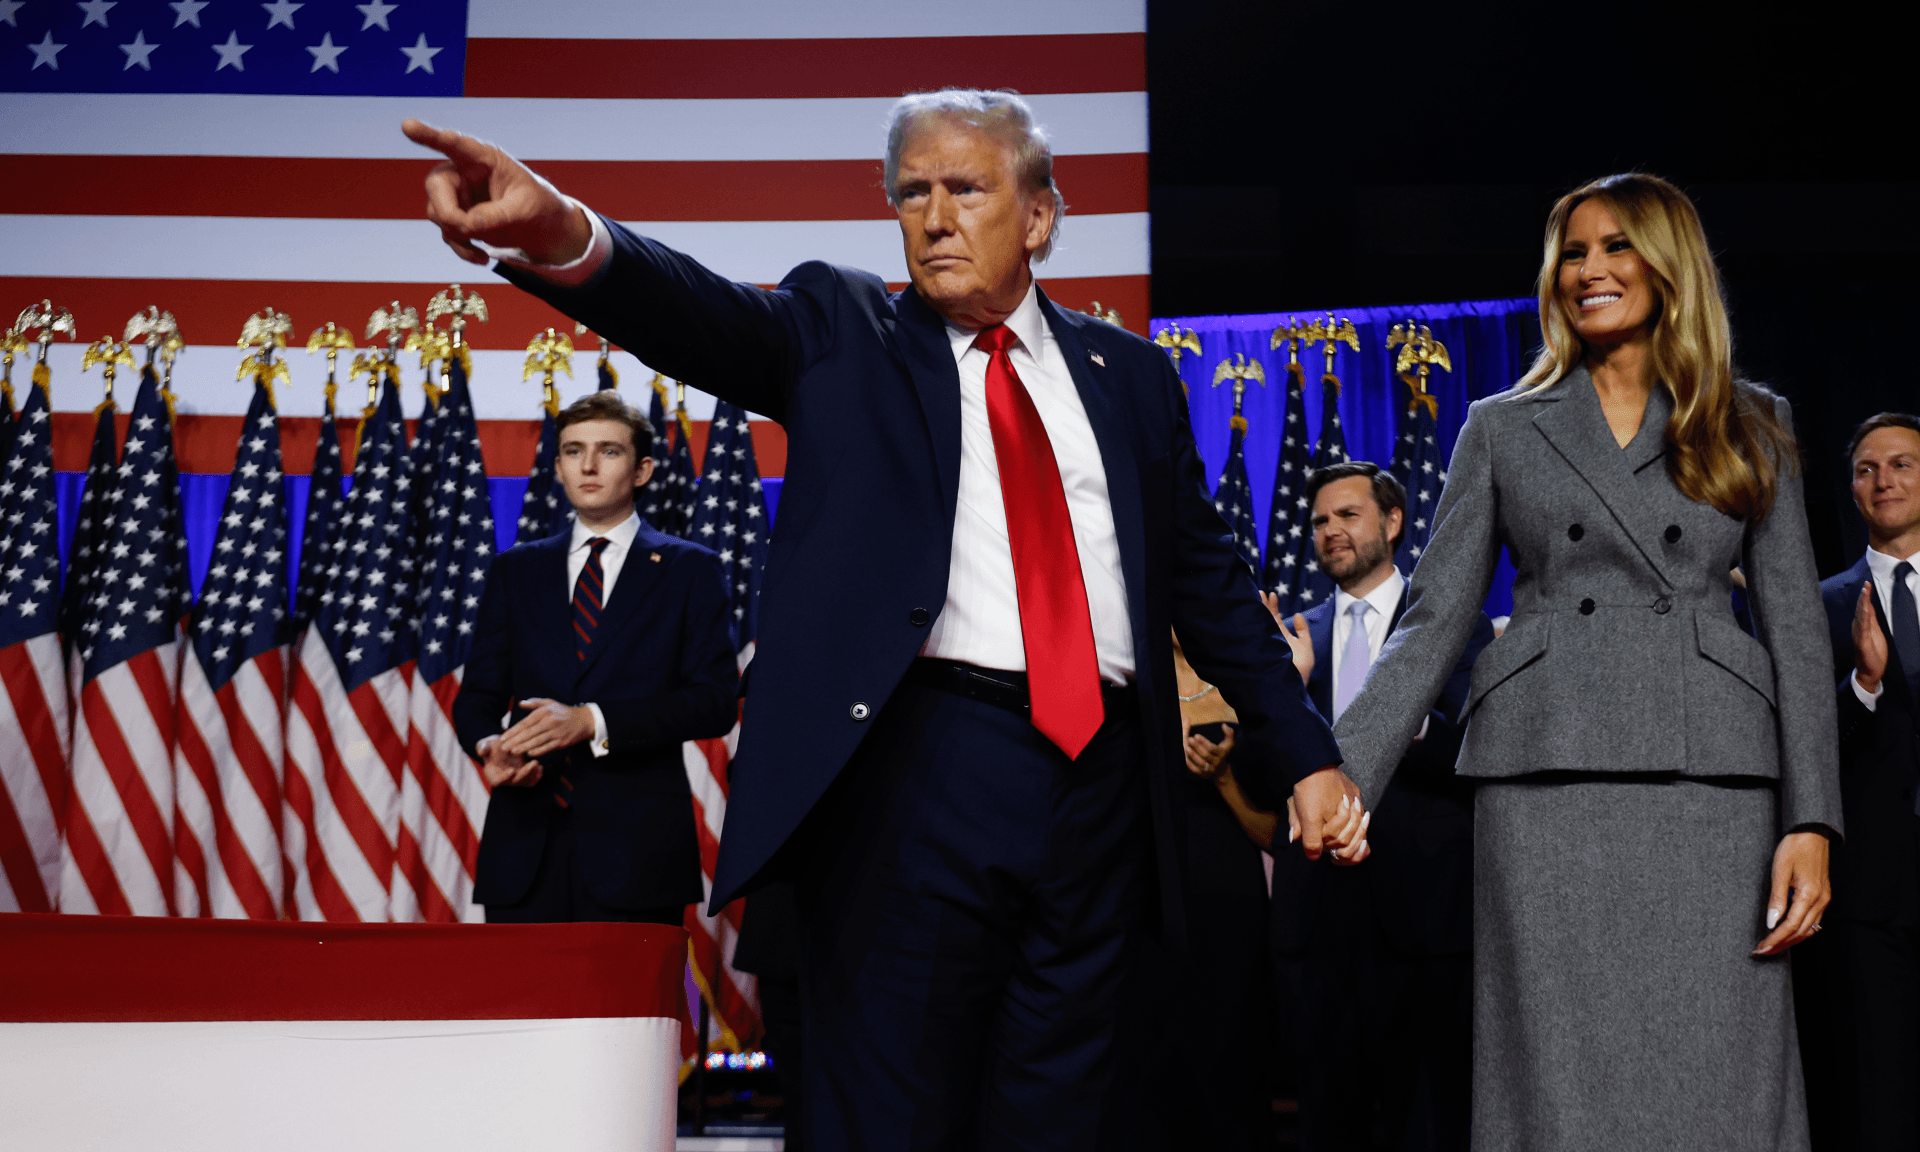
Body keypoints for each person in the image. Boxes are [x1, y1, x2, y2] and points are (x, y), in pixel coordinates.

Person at [403, 90, 1363, 1150]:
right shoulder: (841, 330)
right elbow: (700, 312)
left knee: (1063, 1113)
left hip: (1105, 795)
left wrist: (1306, 755)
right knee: (894, 1114)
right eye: (913, 192)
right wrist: (564, 234)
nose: (935, 215)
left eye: (967, 188)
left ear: (1039, 216)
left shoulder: (1126, 373)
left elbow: (1208, 584)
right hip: (918, 772)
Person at [1327, 173, 1842, 1151]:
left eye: (1616, 246)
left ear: (1670, 264)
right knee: (1555, 1082)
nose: (1590, 270)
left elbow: (1799, 633)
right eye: (1573, 251)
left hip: (1714, 789)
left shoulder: (1750, 418)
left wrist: (1811, 818)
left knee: (1719, 1072)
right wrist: (1340, 774)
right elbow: (1431, 621)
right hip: (1546, 782)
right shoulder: (1502, 426)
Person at [1262, 461, 1492, 1152]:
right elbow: (1266, 769)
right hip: (1319, 924)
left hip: (1422, 922)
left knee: (1429, 1119)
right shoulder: (1291, 638)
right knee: (1328, 1122)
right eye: (1320, 521)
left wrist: (1403, 717)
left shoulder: (1453, 625)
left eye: (1348, 515)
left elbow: (1475, 749)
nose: (1330, 531)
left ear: (1392, 522)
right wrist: (1288, 694)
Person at [452, 391, 739, 924]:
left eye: (608, 451)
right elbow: (478, 697)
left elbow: (715, 702)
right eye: (572, 450)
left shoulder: (688, 570)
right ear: (557, 466)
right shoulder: (516, 571)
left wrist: (592, 722)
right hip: (523, 851)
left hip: (639, 856)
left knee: (628, 1008)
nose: (587, 465)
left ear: (643, 469)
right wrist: (490, 746)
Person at [1814, 412, 1920, 1149]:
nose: (1884, 480)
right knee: (1879, 1102)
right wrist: (1863, 684)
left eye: (1903, 464)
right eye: (1866, 469)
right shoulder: (1817, 604)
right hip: (1873, 898)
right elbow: (1805, 750)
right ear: (1851, 490)